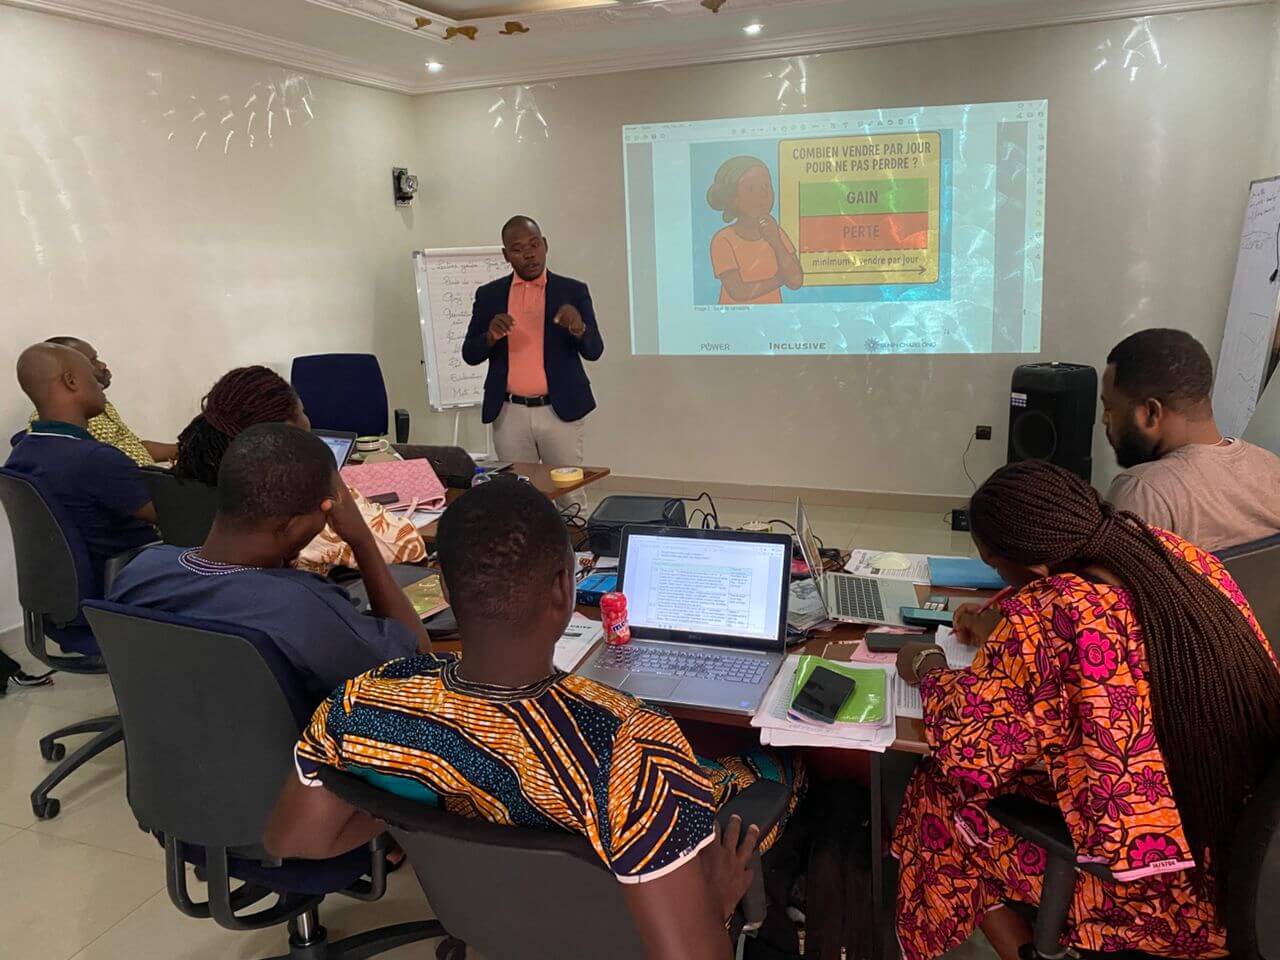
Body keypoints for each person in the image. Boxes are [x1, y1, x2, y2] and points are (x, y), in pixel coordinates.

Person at [264, 477, 804, 960]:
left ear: (445, 590)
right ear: (565, 589)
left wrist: (417, 809)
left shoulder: (362, 702)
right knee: (786, 767)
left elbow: (291, 840)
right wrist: (715, 903)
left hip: (482, 921)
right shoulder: (631, 746)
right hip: (627, 928)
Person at [892, 460, 1280, 960]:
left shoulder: (1055, 611)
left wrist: (928, 666)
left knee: (937, 794)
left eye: (996, 568)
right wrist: (1003, 634)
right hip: (1238, 854)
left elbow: (970, 749)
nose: (999, 580)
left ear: (1037, 572)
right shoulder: (1178, 557)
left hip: (1164, 896)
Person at [110, 423, 429, 707]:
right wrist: (361, 540)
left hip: (173, 745)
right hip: (298, 755)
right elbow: (420, 668)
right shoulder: (302, 606)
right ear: (292, 526)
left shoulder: (139, 571)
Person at [173, 365, 425, 575]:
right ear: (287, 429)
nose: (308, 420)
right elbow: (408, 546)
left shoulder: (188, 487)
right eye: (303, 411)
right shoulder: (299, 508)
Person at [462, 215, 603, 512]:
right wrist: (490, 337)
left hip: (560, 411)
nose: (528, 254)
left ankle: (574, 545)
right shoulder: (489, 296)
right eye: (518, 249)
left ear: (545, 245)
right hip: (509, 412)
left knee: (568, 497)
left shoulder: (572, 291)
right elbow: (470, 354)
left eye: (534, 244)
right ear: (506, 255)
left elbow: (594, 350)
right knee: (516, 497)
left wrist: (579, 328)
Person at [1102, 327, 1280, 551]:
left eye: (1110, 408)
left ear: (1151, 412)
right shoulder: (1270, 466)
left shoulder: (1144, 490)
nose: (1104, 420)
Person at [7, 342, 157, 590]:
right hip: (129, 585)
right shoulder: (96, 459)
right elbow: (175, 517)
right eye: (91, 376)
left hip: (69, 593)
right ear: (71, 381)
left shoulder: (22, 452)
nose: (99, 385)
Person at [27, 337, 178, 466]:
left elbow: (133, 447)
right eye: (92, 361)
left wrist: (185, 450)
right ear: (70, 378)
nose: (102, 365)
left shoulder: (97, 405)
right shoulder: (70, 420)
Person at [706, 157, 803, 305]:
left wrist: (776, 242)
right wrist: (781, 278)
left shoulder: (776, 232)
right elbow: (739, 292)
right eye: (751, 188)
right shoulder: (723, 239)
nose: (764, 193)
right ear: (733, 199)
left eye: (766, 185)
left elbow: (796, 281)